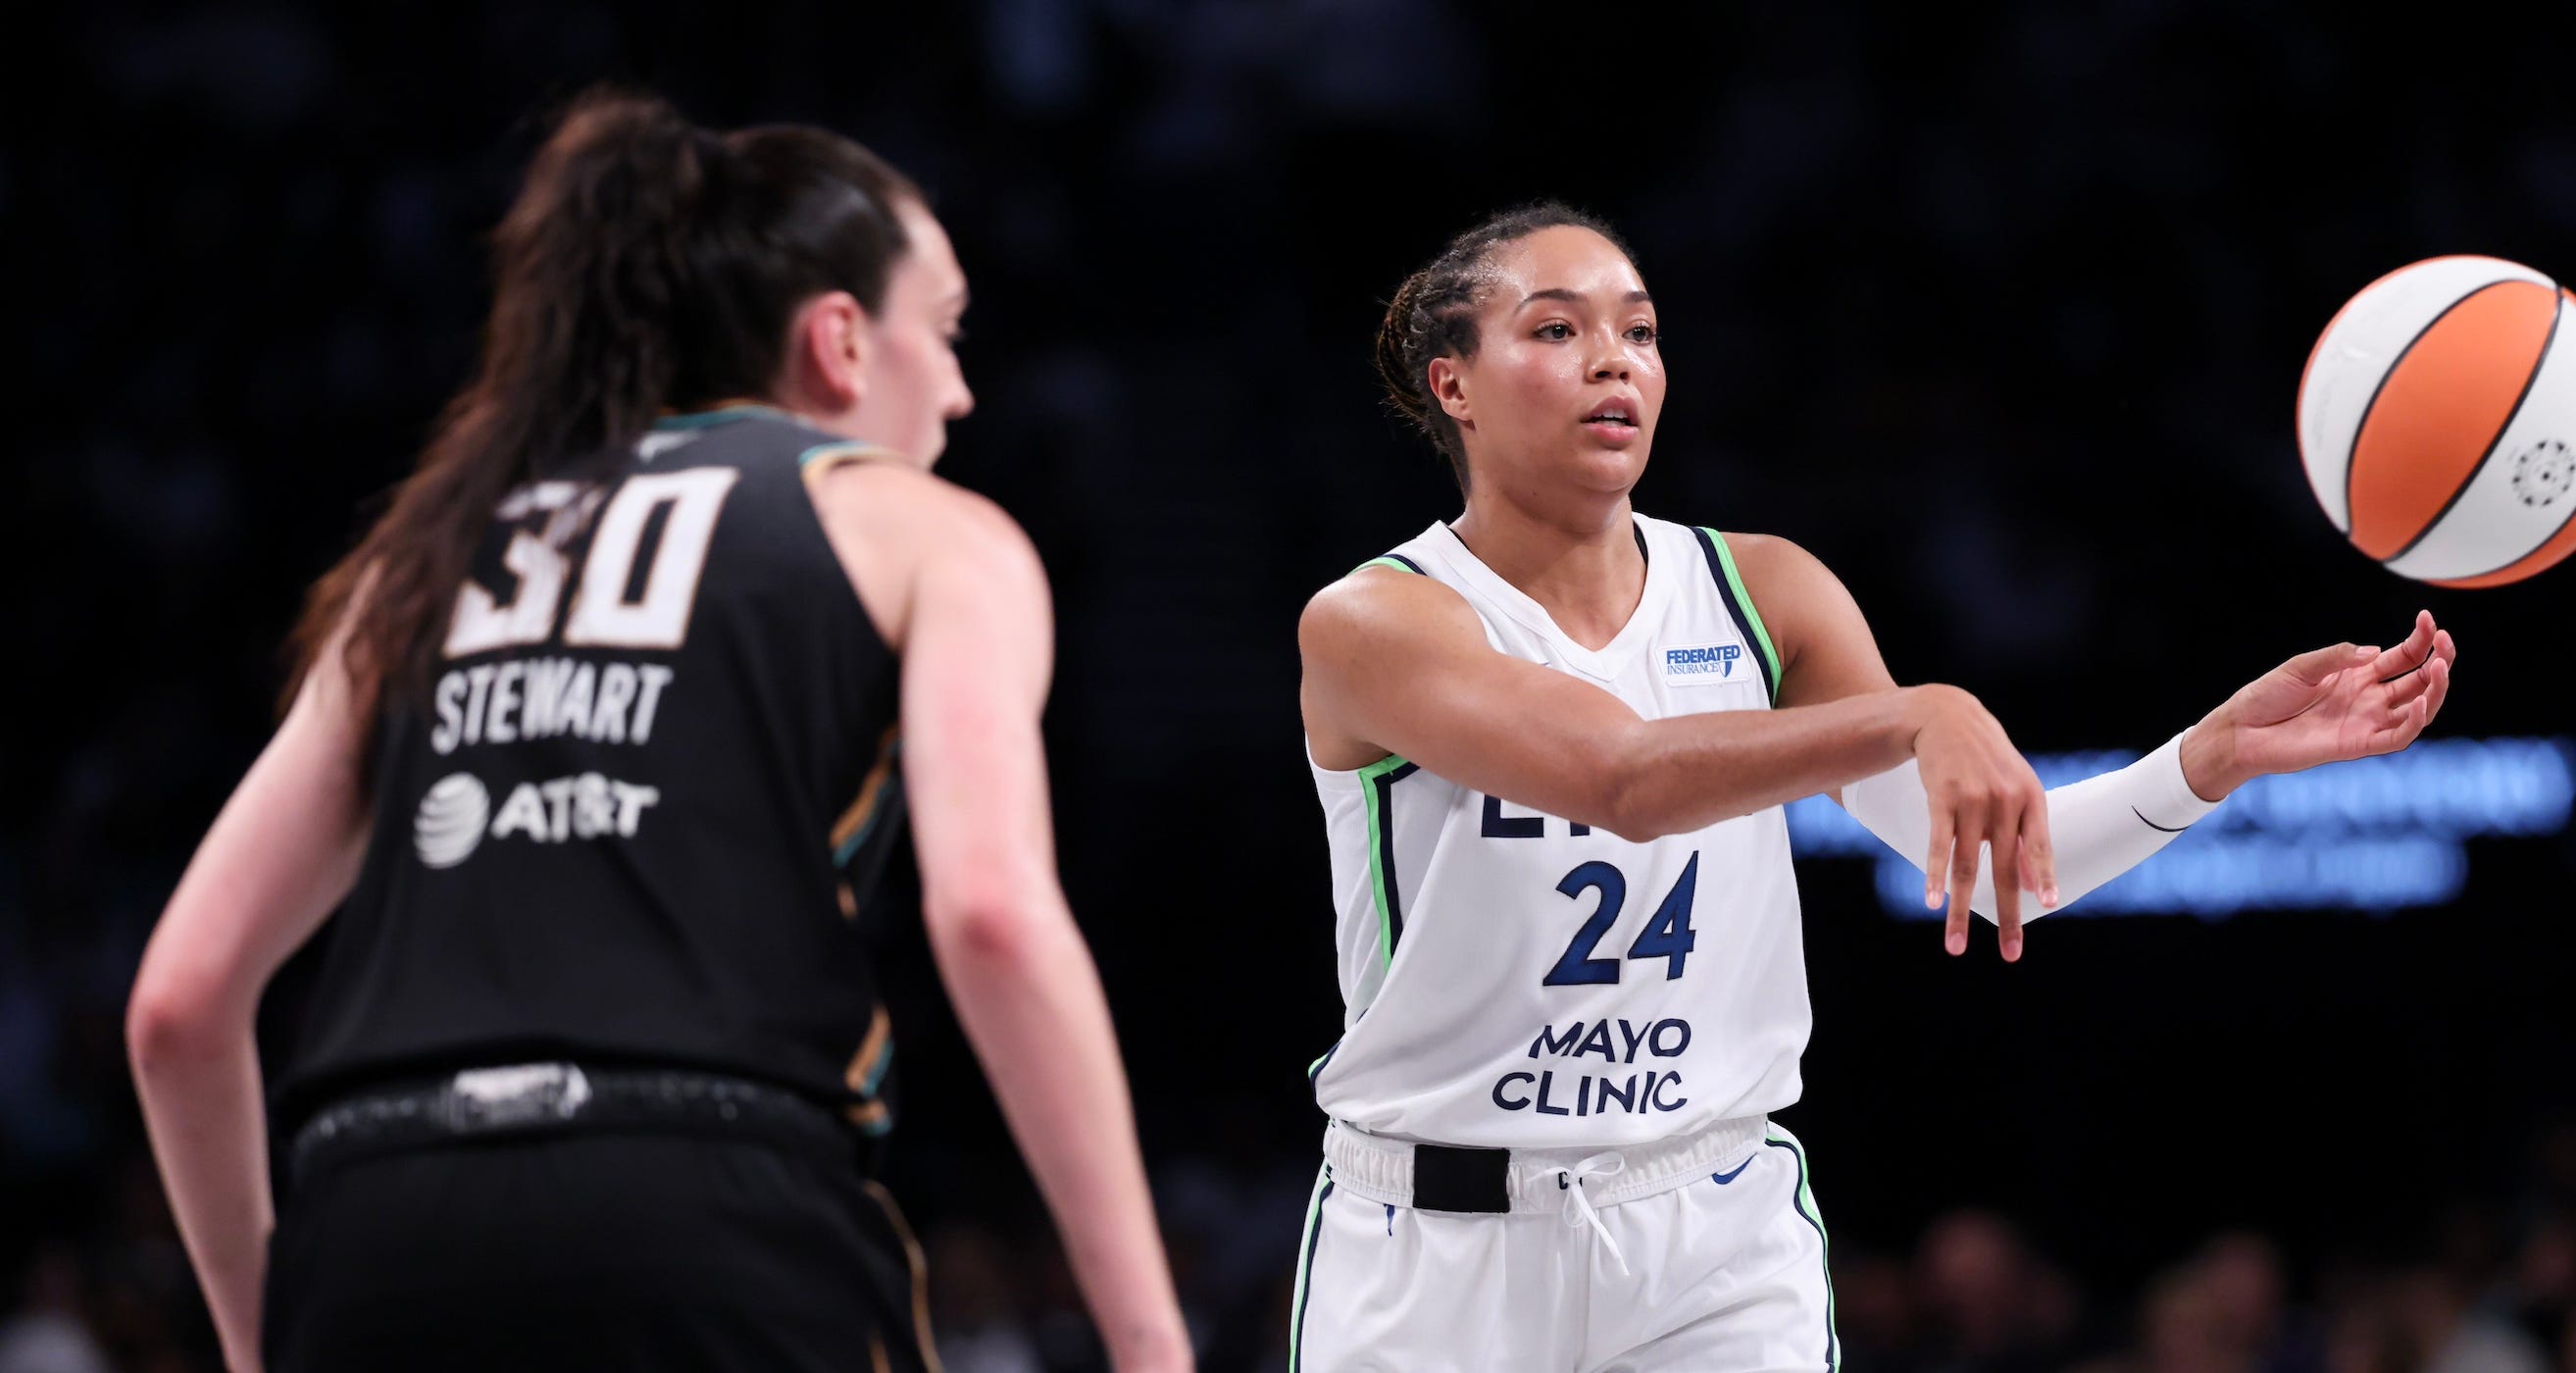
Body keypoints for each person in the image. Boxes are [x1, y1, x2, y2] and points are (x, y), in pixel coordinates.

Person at [123, 89, 1192, 1373]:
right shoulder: (923, 531)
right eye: (947, 333)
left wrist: (264, 1342)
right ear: (840, 340)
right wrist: (1149, 1345)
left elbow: (179, 1005)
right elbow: (993, 915)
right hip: (708, 1224)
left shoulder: (429, 552)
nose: (959, 393)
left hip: (371, 1231)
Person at [1288, 202, 2456, 1370]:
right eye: (1554, 329)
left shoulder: (1765, 591)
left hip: (1712, 1235)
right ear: (1454, 386)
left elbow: (2009, 878)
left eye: (1638, 332)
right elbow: (1622, 775)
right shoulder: (1377, 622)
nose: (1612, 359)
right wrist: (1913, 709)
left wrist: (2210, 760)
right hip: (1439, 1250)